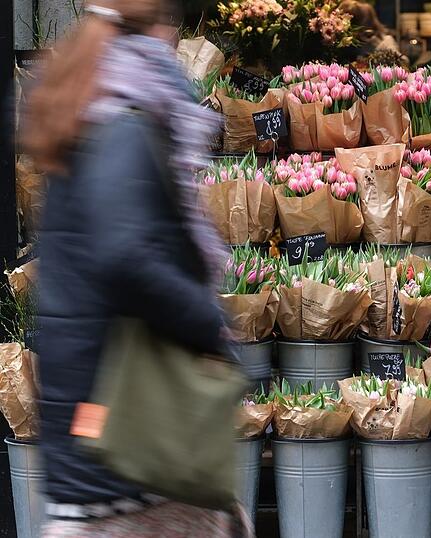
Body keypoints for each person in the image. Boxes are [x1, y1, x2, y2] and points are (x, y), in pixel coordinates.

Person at [22, 1, 246, 536]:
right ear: (157, 30)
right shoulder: (128, 120)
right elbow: (124, 256)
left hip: (92, 422)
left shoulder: (84, 108)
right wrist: (206, 322)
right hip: (130, 430)